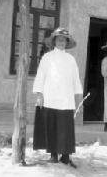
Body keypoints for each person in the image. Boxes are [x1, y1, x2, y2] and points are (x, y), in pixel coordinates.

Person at [32, 27, 83, 168]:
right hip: (50, 97)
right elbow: (40, 76)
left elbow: (75, 79)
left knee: (65, 128)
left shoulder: (71, 59)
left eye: (64, 40)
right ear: (54, 41)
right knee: (51, 126)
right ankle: (53, 155)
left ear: (67, 43)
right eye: (59, 39)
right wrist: (39, 94)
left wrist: (78, 97)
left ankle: (66, 157)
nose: (61, 42)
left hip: (66, 98)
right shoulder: (47, 58)